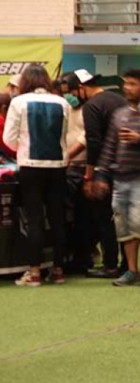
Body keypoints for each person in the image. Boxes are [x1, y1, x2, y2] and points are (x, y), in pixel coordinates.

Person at [95, 69, 140, 286]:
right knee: (123, 227)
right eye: (126, 83)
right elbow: (109, 146)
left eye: (133, 84)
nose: (127, 87)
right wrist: (101, 175)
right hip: (120, 178)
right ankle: (133, 271)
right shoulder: (119, 115)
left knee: (139, 225)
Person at [2, 65, 69, 286]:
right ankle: (58, 270)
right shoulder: (62, 102)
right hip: (58, 166)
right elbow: (64, 136)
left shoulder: (18, 102)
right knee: (57, 216)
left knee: (34, 219)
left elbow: (9, 139)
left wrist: (23, 146)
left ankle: (34, 272)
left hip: (30, 166)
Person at [63, 68, 128, 279]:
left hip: (105, 168)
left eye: (71, 92)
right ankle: (127, 265)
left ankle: (109, 265)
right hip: (126, 165)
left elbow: (93, 141)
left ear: (81, 88)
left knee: (104, 218)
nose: (70, 97)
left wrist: (90, 174)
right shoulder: (117, 99)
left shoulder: (92, 106)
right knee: (123, 218)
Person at [59, 76, 96, 274]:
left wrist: (66, 156)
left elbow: (86, 139)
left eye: (70, 91)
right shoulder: (64, 107)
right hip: (67, 167)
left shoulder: (88, 110)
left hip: (82, 167)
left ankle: (84, 257)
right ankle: (74, 256)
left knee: (83, 217)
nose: (68, 96)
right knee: (69, 217)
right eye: (64, 92)